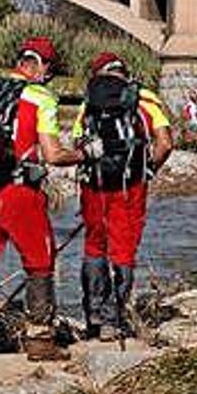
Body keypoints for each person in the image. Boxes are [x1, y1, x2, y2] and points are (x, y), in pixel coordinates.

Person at [0, 37, 98, 375]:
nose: (49, 76)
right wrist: (86, 153)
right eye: (50, 69)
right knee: (40, 261)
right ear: (42, 66)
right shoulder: (41, 98)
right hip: (18, 192)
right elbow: (53, 154)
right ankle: (40, 342)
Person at [73, 52, 173, 341]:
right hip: (131, 186)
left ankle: (92, 315)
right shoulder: (143, 98)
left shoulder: (89, 101)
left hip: (94, 185)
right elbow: (165, 143)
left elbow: (79, 143)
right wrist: (148, 169)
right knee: (123, 248)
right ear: (123, 72)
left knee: (94, 246)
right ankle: (112, 321)